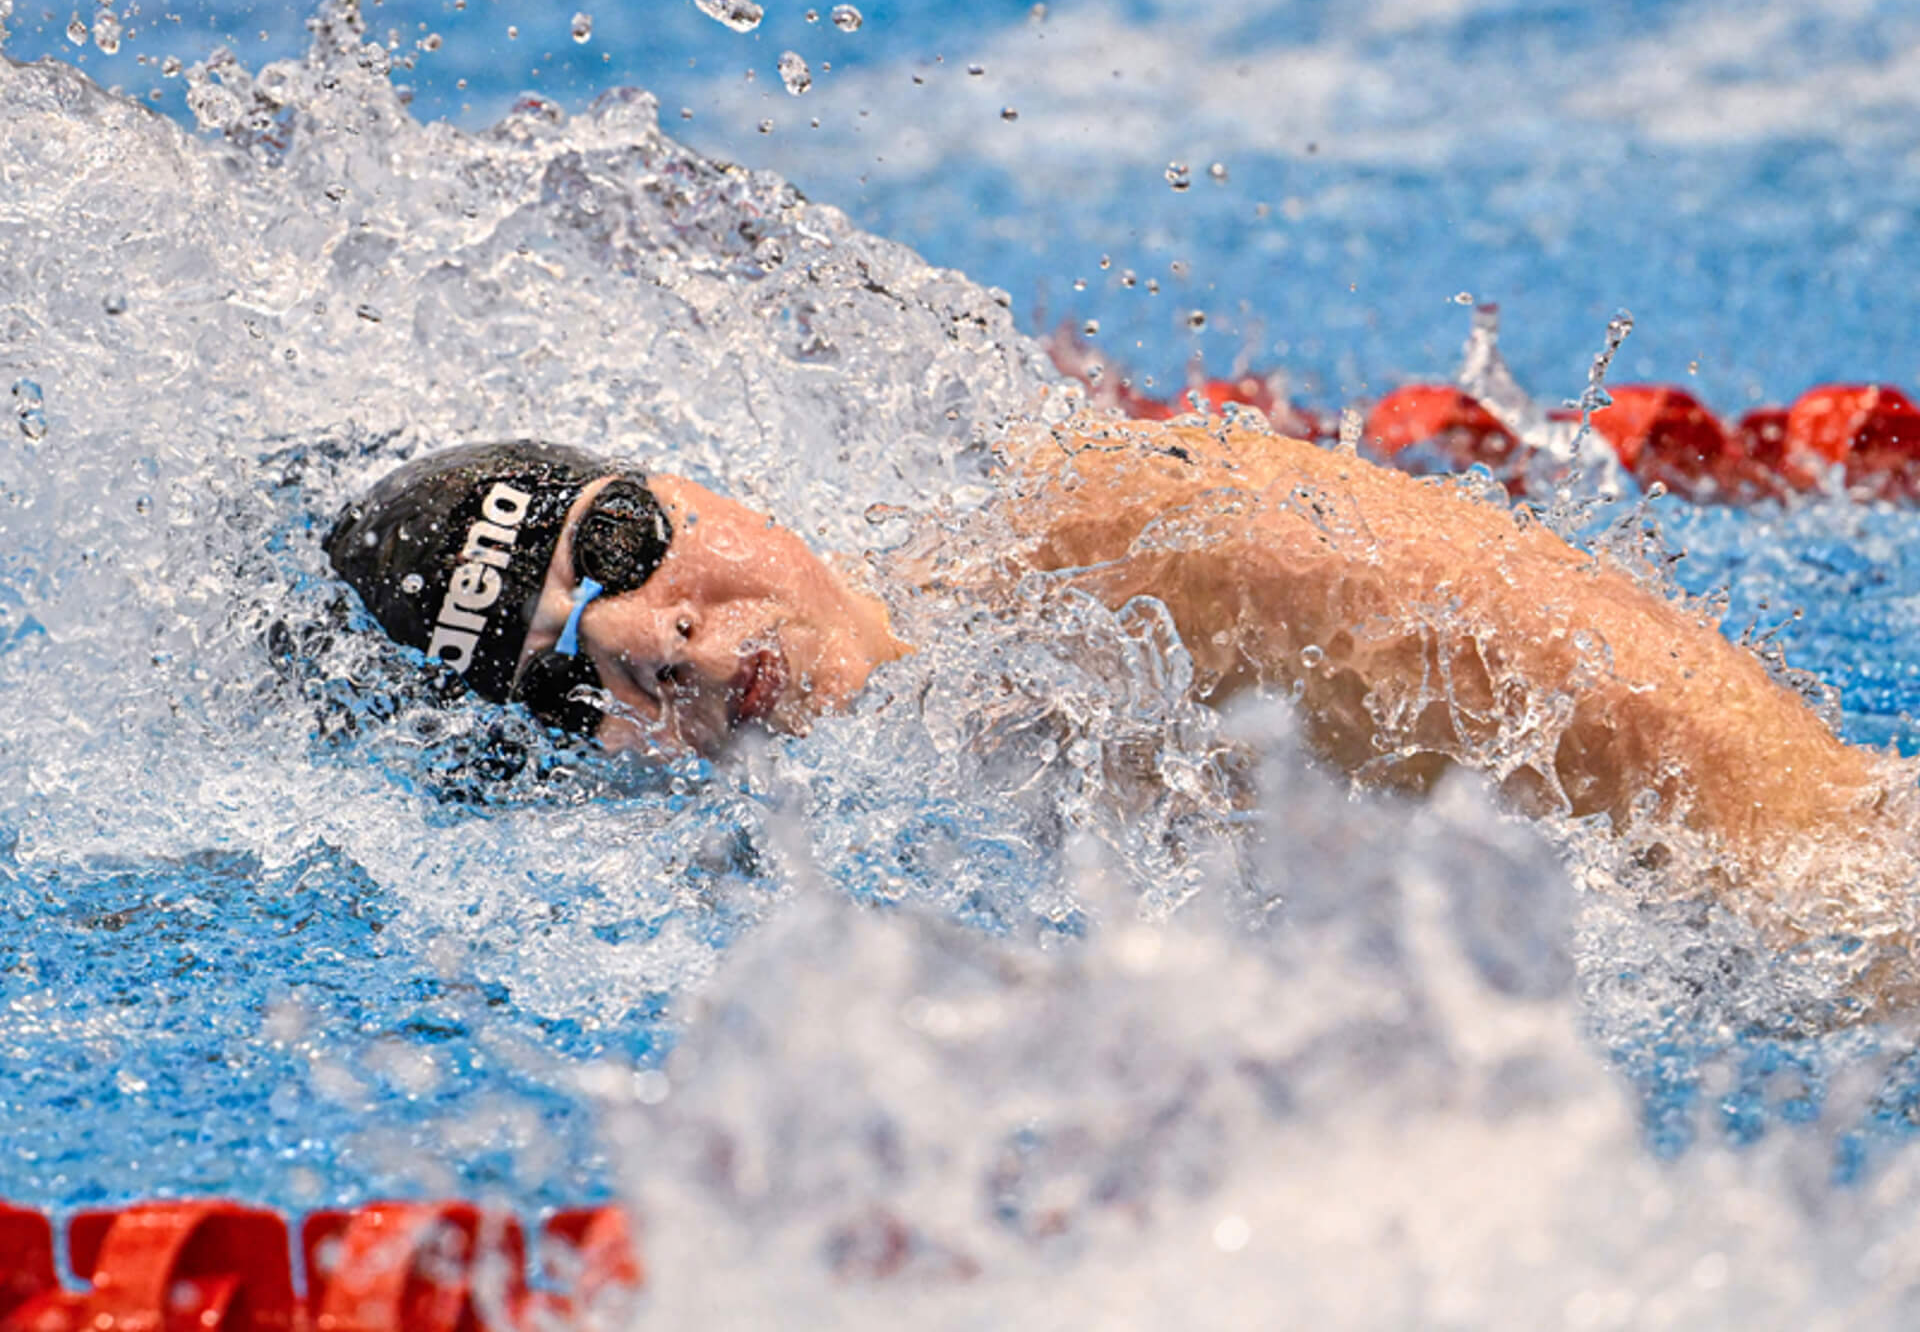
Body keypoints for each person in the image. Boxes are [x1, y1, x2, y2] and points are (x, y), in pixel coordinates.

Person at [325, 415, 1917, 996]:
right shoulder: (757, 934)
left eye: (613, 547)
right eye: (552, 690)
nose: (650, 645)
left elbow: (1809, 834)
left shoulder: (1139, 544)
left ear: (686, 479)